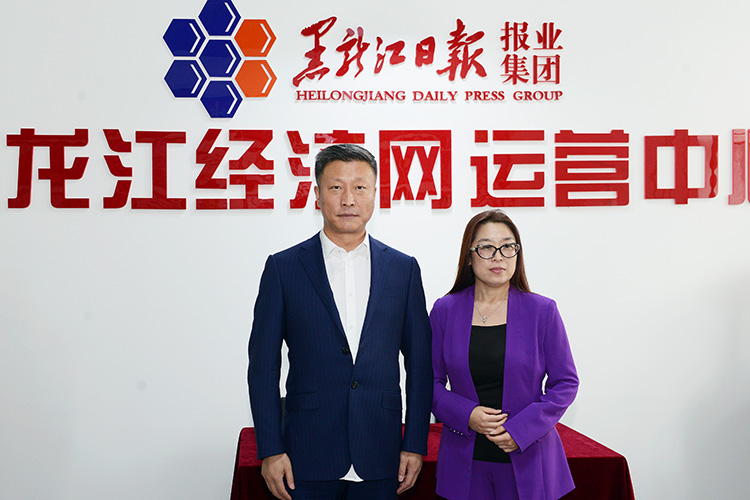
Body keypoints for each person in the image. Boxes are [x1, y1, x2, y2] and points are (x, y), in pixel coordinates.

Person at [247, 144, 432, 500]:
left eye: (359, 187)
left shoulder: (403, 269)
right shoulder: (284, 268)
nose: (348, 199)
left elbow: (420, 364)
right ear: (317, 195)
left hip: (381, 452)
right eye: (336, 187)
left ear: (375, 193)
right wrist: (270, 449)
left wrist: (415, 443)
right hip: (305, 455)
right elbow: (262, 366)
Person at [430, 210, 578, 500]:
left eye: (508, 246)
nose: (498, 257)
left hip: (528, 456)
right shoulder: (445, 310)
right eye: (486, 247)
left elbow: (565, 383)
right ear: (469, 256)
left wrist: (521, 430)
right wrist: (467, 414)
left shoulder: (542, 311)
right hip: (465, 460)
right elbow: (428, 382)